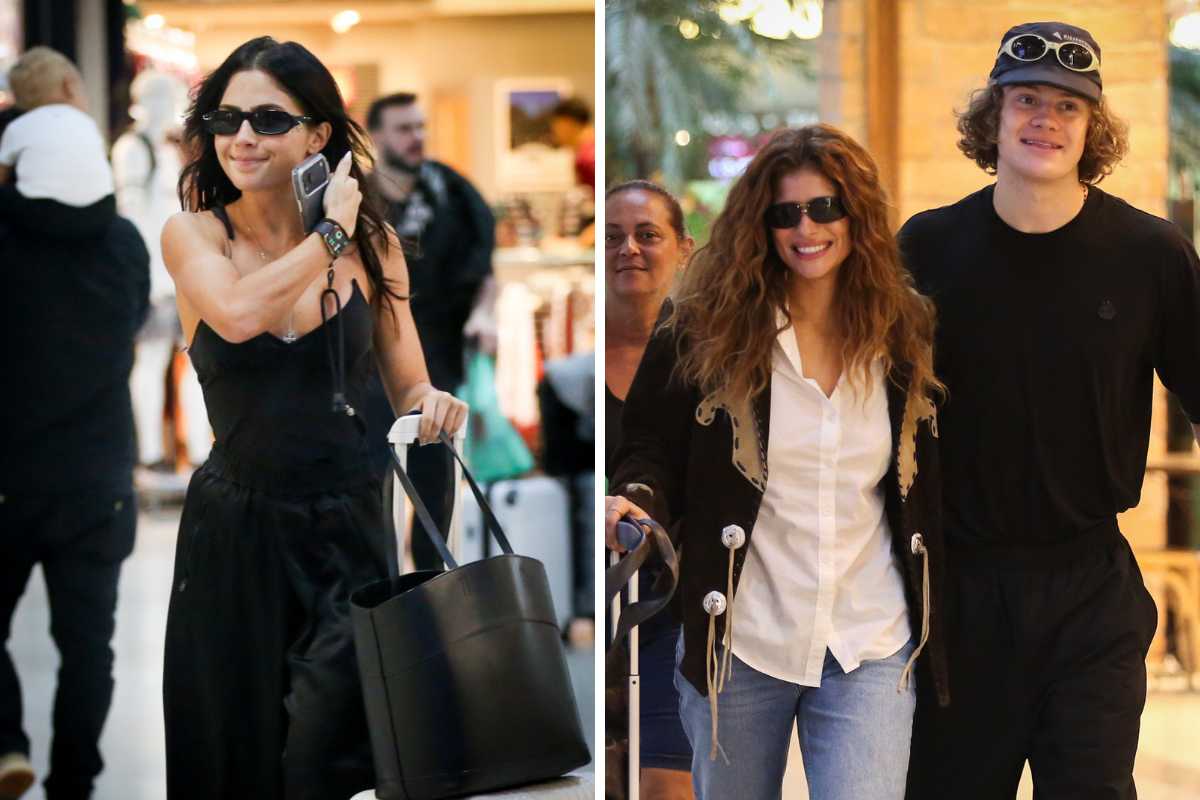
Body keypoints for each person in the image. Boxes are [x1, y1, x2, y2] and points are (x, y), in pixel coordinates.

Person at [159, 37, 467, 800]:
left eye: (269, 118)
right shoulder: (196, 234)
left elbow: (410, 385)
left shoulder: (378, 248)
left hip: (350, 530)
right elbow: (234, 315)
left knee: (328, 761)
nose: (243, 138)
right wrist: (328, 235)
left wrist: (436, 407)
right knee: (237, 759)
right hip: (236, 533)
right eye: (228, 118)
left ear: (318, 134)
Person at [900, 21, 1200, 800]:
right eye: (1025, 99)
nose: (1045, 119)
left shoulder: (1152, 255)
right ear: (991, 117)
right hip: (961, 598)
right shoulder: (928, 248)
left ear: (1092, 126)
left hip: (1092, 589)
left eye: (1068, 106)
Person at [606, 125, 949, 800]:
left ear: (857, 217)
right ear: (758, 225)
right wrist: (635, 503)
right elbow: (648, 447)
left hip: (868, 637)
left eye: (824, 208)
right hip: (740, 637)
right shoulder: (702, 330)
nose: (806, 228)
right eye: (784, 213)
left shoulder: (901, 333)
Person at [0, 73, 150, 799]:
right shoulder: (124, 245)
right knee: (88, 649)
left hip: (8, 476)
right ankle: (74, 785)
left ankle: (4, 743)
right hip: (99, 480)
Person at [364, 91, 495, 570]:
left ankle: (431, 588)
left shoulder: (450, 190)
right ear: (375, 135)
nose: (416, 137)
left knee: (436, 477)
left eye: (420, 127)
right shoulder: (355, 199)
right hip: (371, 360)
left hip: (438, 354)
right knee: (372, 480)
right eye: (403, 129)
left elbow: (485, 270)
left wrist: (485, 314)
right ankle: (377, 586)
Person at [604, 180, 695, 800]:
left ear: (685, 249)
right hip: (593, 607)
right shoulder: (570, 358)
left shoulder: (710, 354)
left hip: (677, 603)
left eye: (646, 235)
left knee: (667, 783)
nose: (627, 249)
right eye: (611, 237)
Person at [0, 47, 114, 211]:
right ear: (69, 86)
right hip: (101, 210)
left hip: (43, 214)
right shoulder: (87, 122)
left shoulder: (19, 126)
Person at [550, 97, 595, 192]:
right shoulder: (587, 152)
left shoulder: (586, 159)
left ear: (567, 123)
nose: (554, 132)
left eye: (556, 126)